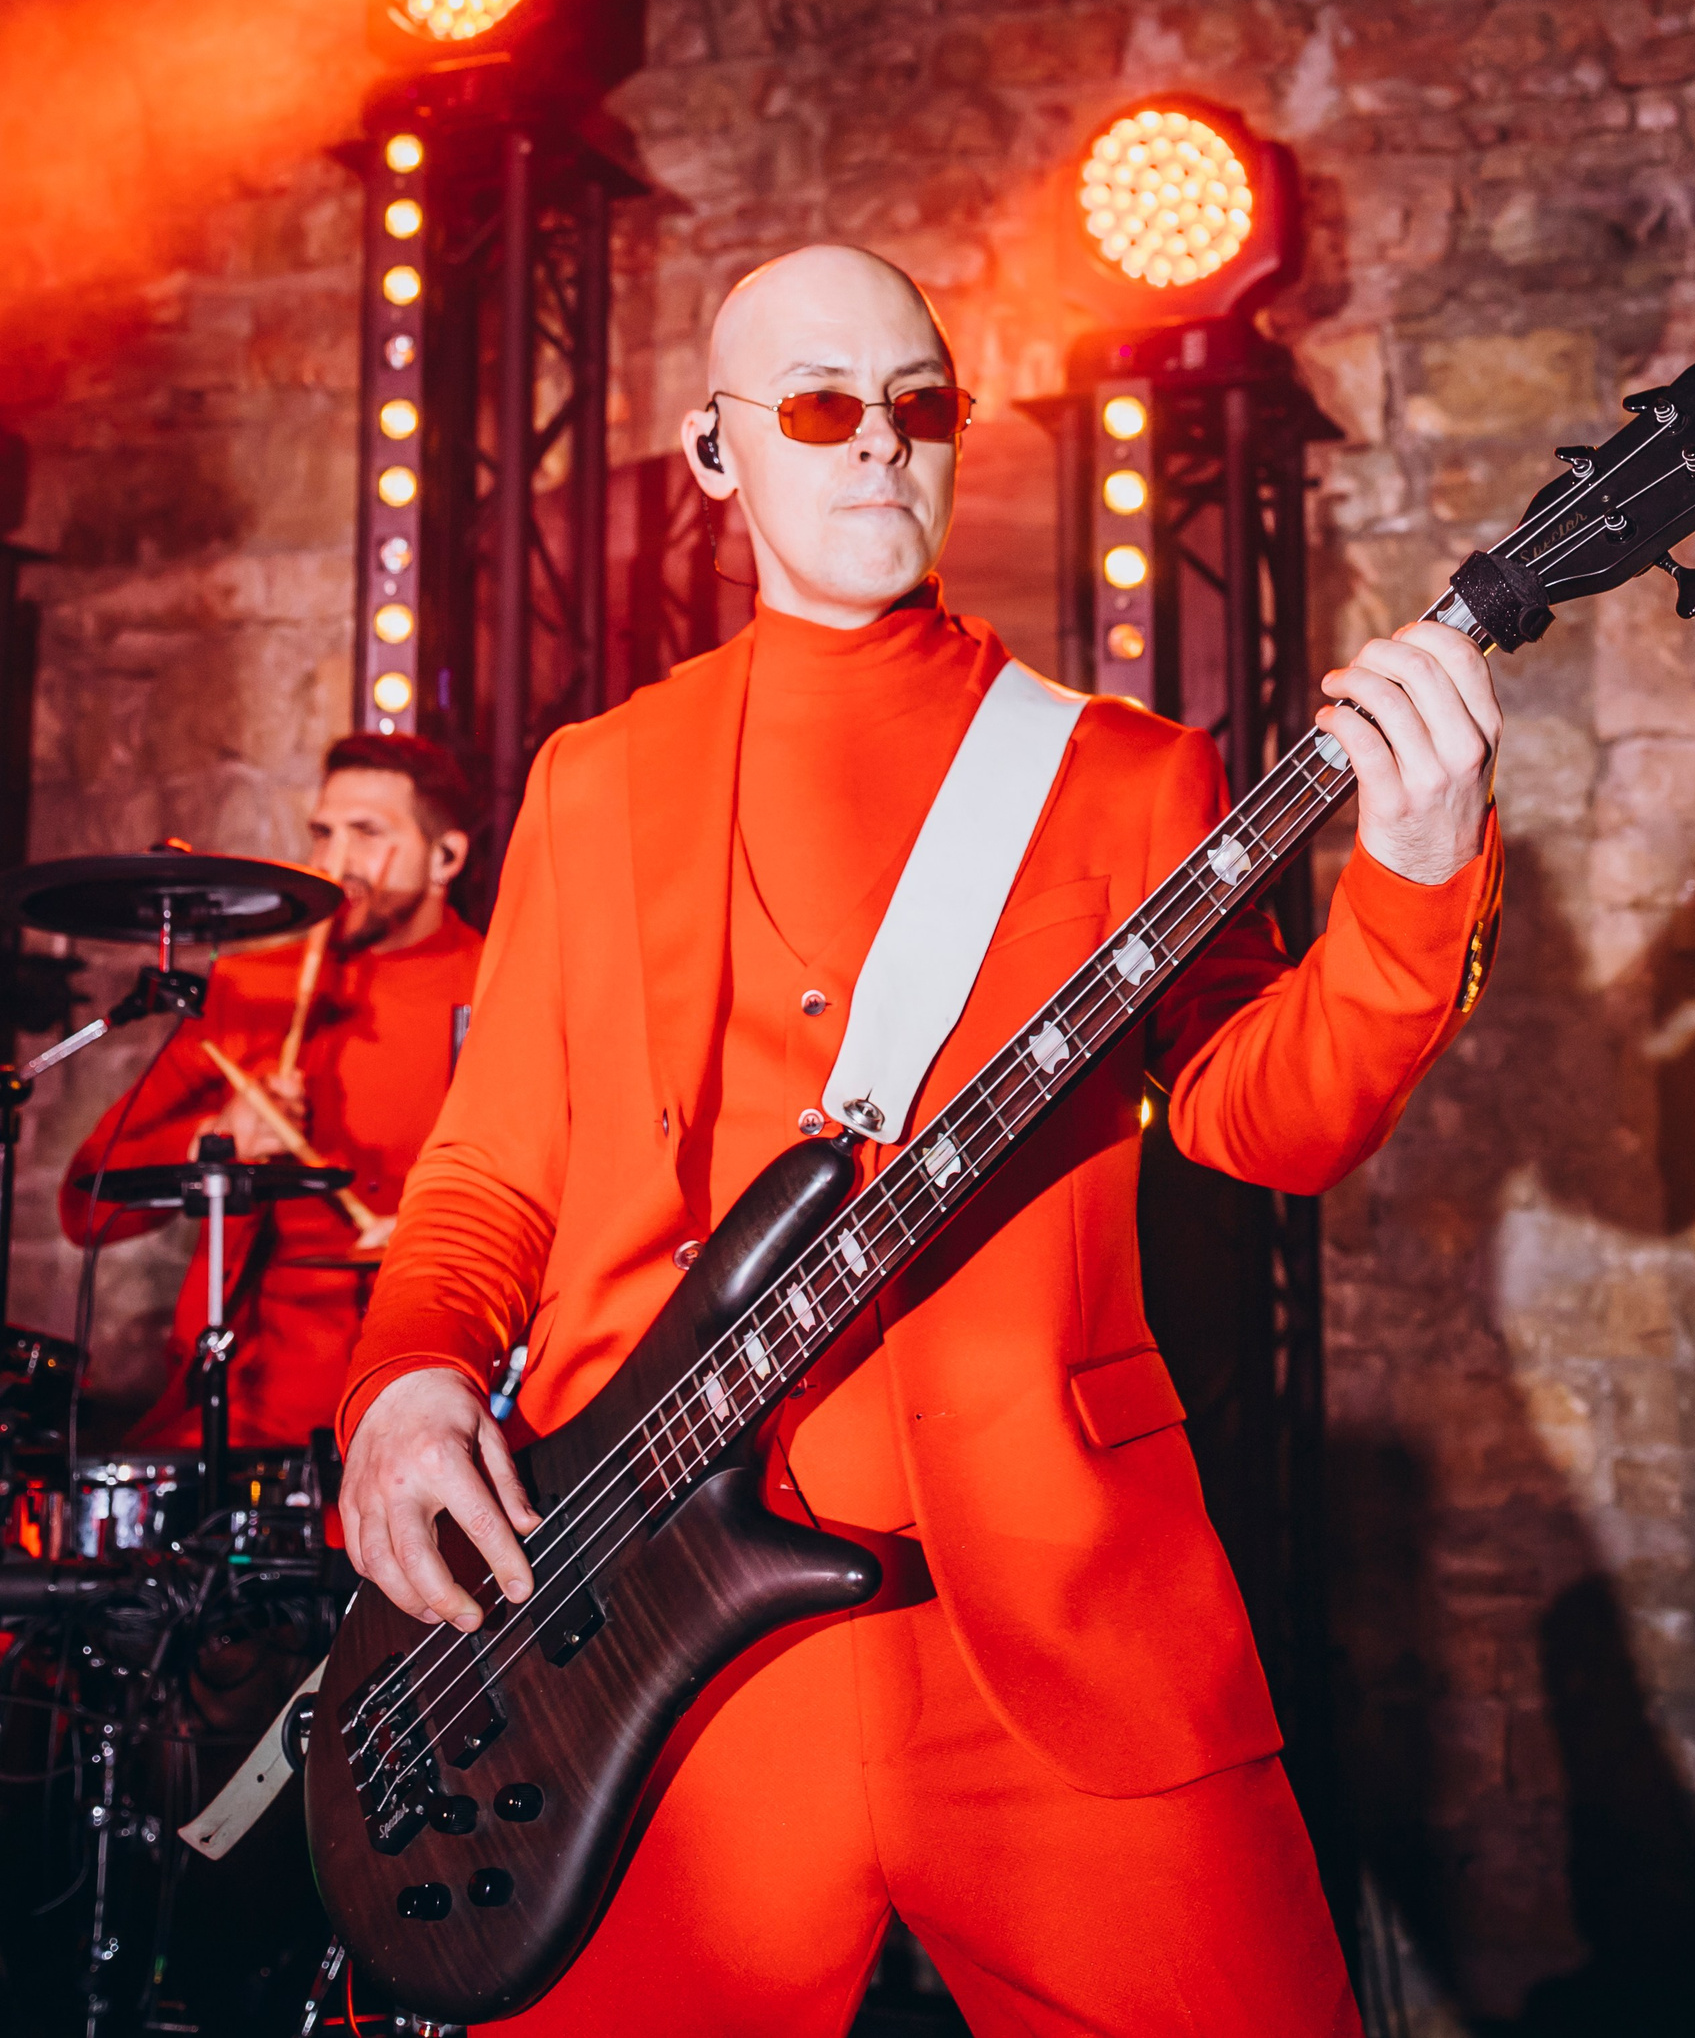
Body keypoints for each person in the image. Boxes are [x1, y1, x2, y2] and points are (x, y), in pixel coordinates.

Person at [338, 245, 1504, 2038]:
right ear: (716, 452)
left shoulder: (1125, 771)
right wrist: (410, 1380)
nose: (880, 441)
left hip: (1051, 1615)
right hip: (640, 1627)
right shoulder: (594, 779)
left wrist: (1413, 878)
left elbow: (1264, 1118)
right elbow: (491, 1171)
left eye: (920, 404)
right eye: (820, 405)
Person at [62, 733, 481, 1452]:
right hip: (247, 1409)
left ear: (445, 857)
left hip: (429, 1395)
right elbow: (84, 1206)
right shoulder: (254, 990)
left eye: (367, 833)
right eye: (323, 833)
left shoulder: (500, 985)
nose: (333, 863)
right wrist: (212, 1140)